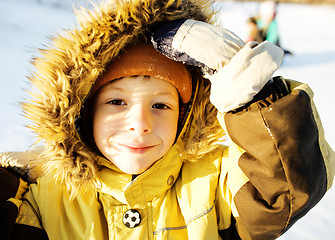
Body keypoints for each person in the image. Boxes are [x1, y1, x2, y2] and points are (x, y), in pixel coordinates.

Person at [1, 0, 334, 239]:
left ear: (186, 115)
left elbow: (288, 186)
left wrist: (253, 99)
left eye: (161, 106)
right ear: (82, 113)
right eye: (117, 101)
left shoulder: (215, 182)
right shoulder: (41, 197)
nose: (141, 123)